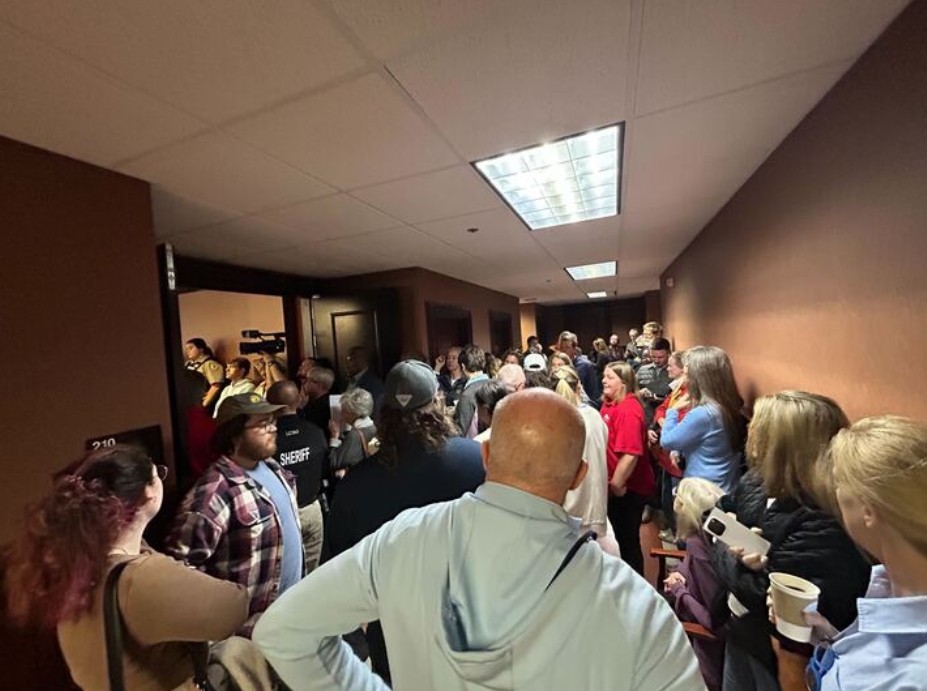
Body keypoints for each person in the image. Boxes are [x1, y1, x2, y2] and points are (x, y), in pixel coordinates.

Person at [254, 389, 705, 691]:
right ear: (578, 476)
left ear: (486, 455)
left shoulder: (402, 539)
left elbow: (282, 630)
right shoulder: (635, 605)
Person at [5, 445, 248, 690]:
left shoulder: (75, 571)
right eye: (158, 474)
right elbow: (234, 608)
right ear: (148, 493)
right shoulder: (137, 578)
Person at [325, 359, 485, 683]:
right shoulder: (478, 461)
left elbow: (341, 572)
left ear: (384, 412)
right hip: (474, 626)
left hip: (394, 638)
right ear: (437, 402)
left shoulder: (356, 483)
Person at [713, 392, 870, 691]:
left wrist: (725, 548)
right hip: (741, 633)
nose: (750, 440)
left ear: (783, 446)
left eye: (759, 432)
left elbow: (765, 594)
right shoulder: (758, 481)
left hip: (781, 660)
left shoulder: (824, 521)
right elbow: (717, 511)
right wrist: (732, 549)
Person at [782, 415, 927, 691]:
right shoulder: (892, 585)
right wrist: (831, 640)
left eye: (838, 483)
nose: (834, 494)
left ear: (868, 510)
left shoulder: (914, 677)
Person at [167, 393, 302, 636]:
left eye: (273, 421)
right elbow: (181, 573)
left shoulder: (273, 468)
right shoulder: (213, 493)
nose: (273, 428)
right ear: (234, 434)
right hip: (249, 634)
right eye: (263, 423)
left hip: (289, 616)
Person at [663, 477, 728, 691]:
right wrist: (681, 573)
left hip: (710, 653)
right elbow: (689, 564)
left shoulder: (698, 547)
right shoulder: (717, 536)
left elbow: (712, 620)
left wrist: (679, 591)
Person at [659, 345, 744, 493]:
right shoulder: (728, 403)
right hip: (724, 484)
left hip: (705, 490)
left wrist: (672, 411)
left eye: (687, 375)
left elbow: (667, 441)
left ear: (700, 379)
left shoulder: (704, 413)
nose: (684, 380)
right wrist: (678, 450)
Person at [550, 366, 614, 550]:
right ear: (579, 386)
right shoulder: (594, 416)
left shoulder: (553, 421)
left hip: (565, 511)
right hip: (593, 505)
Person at [267, 381, 328, 574]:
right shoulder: (315, 432)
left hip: (281, 516)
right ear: (299, 400)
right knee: (312, 575)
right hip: (311, 510)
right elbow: (325, 466)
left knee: (284, 575)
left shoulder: (266, 440)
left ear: (269, 404)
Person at [600, 361, 655, 575]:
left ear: (623, 383)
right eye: (604, 376)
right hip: (617, 486)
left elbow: (631, 454)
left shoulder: (628, 410)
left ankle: (635, 584)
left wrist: (616, 484)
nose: (604, 380)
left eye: (610, 377)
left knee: (627, 542)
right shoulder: (610, 403)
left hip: (628, 489)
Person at [649, 349, 689, 534]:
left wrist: (666, 422)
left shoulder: (689, 395)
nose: (667, 369)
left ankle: (678, 538)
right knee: (666, 501)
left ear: (683, 369)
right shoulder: (677, 389)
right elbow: (661, 409)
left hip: (677, 462)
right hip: (666, 458)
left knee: (676, 507)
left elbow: (678, 430)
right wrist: (662, 422)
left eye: (671, 366)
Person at [328, 386, 377, 472]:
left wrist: (334, 437)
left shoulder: (354, 436)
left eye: (344, 410)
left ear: (354, 413)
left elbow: (333, 462)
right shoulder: (374, 428)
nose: (341, 414)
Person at [454, 345, 490, 439]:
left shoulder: (468, 395)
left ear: (463, 366)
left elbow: (460, 431)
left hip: (477, 445)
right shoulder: (497, 385)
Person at [557, 330, 600, 403]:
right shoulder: (555, 365)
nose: (563, 350)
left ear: (574, 349)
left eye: (567, 347)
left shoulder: (586, 366)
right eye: (561, 347)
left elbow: (593, 395)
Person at [636, 337, 673, 423]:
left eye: (661, 357)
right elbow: (632, 391)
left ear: (669, 353)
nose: (656, 360)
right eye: (653, 356)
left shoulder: (674, 371)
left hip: (667, 418)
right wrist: (640, 393)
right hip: (646, 417)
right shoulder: (642, 370)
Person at [184, 337, 225, 411]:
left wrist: (203, 405)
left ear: (201, 349)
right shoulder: (187, 364)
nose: (188, 351)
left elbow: (216, 386)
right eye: (186, 349)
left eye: (191, 348)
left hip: (200, 404)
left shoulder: (209, 364)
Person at [345, 346, 385, 412]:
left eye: (350, 359)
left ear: (362, 360)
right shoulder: (350, 381)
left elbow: (374, 410)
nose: (347, 363)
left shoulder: (373, 383)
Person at [300, 366, 335, 430]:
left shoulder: (324, 406)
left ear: (319, 385)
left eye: (308, 380)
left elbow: (304, 426)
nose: (304, 383)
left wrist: (301, 406)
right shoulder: (312, 401)